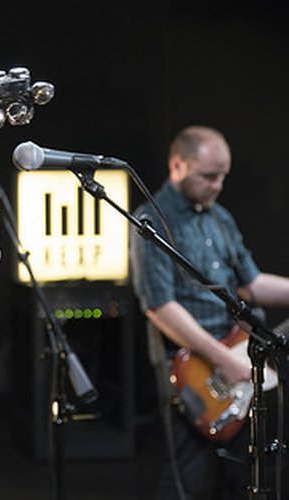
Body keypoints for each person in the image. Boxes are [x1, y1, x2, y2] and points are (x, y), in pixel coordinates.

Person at [130, 125, 289, 499]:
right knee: (188, 477)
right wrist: (223, 359)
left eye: (222, 176)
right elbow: (159, 306)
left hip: (236, 356)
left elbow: (251, 284)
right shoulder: (151, 221)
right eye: (208, 176)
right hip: (190, 366)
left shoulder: (220, 218)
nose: (217, 185)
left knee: (242, 474)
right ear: (177, 166)